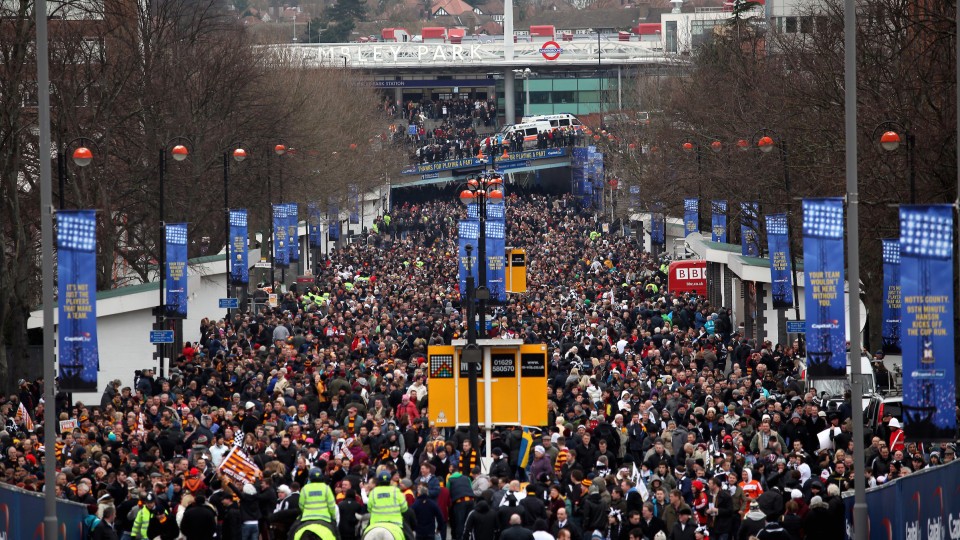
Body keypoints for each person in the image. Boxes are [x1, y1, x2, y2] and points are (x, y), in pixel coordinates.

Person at [364, 469, 409, 540]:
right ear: (390, 480)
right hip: (395, 523)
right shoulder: (396, 491)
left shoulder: (373, 492)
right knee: (410, 536)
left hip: (376, 522)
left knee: (363, 533)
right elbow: (404, 508)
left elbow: (369, 508)